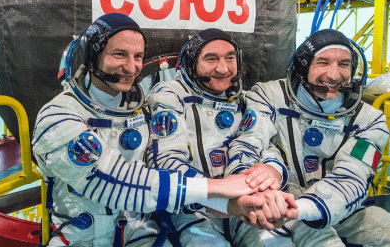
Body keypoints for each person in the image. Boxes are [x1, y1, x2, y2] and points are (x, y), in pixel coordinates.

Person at [32, 14, 267, 247]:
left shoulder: (143, 113)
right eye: (119, 54)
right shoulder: (57, 116)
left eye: (138, 57)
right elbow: (109, 180)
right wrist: (217, 187)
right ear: (91, 56)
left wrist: (230, 206)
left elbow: (159, 179)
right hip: (79, 238)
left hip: (140, 232)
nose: (131, 67)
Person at [227, 29, 390, 246]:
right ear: (302, 67)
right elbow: (250, 142)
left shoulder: (369, 119)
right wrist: (245, 192)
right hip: (273, 200)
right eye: (323, 62)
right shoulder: (270, 96)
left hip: (341, 206)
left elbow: (353, 177)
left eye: (344, 64)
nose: (334, 75)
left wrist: (302, 208)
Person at [142, 28, 297, 247]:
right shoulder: (169, 96)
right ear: (191, 63)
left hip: (245, 201)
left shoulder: (246, 100)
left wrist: (272, 170)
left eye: (230, 58)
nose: (223, 69)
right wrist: (223, 192)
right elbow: (164, 163)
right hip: (193, 209)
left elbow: (267, 145)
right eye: (211, 59)